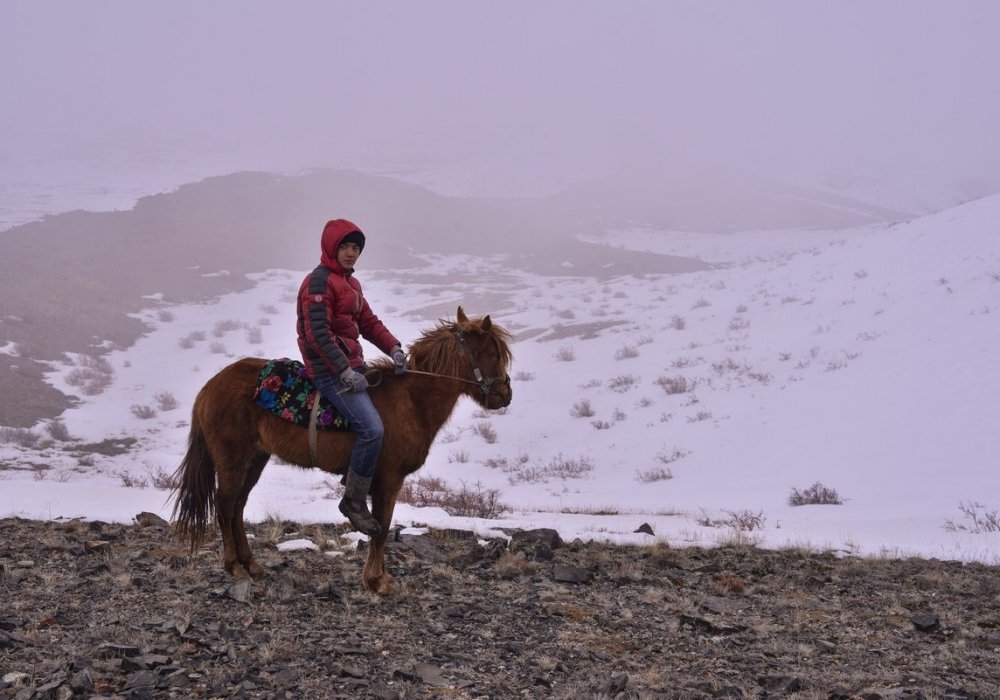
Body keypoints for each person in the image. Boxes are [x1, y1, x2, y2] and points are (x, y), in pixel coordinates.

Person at [296, 218, 407, 537]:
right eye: (345, 246)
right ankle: (355, 501)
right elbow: (317, 334)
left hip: (352, 366)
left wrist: (394, 348)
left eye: (356, 248)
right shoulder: (319, 283)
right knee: (372, 429)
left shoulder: (351, 285)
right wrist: (343, 371)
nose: (351, 253)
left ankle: (358, 476)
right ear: (331, 247)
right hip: (328, 371)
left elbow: (369, 322)